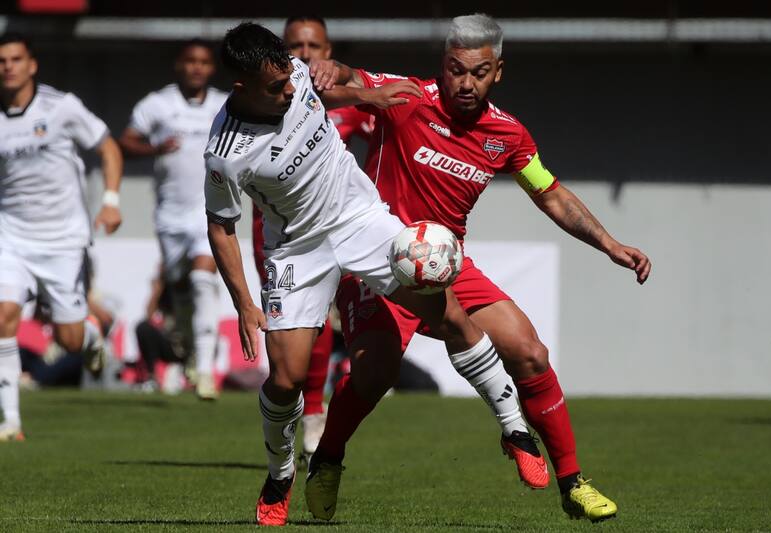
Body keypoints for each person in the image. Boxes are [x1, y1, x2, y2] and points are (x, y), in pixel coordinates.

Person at [305, 13, 652, 523]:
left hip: (446, 266)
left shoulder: (507, 135)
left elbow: (550, 193)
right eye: (456, 69)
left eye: (479, 72)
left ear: (499, 72)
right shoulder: (406, 98)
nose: (465, 82)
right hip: (378, 260)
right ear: (442, 67)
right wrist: (331, 68)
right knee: (374, 373)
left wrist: (609, 244)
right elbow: (352, 80)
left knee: (530, 352)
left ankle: (573, 482)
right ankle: (328, 458)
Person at [205, 22, 524, 526]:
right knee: (286, 380)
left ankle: (514, 429)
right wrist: (245, 304)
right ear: (241, 87)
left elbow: (327, 94)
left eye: (290, 78)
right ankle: (281, 473)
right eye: (276, 88)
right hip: (296, 250)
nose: (290, 90)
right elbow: (221, 228)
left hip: (360, 219)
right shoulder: (225, 154)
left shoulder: (297, 79)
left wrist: (372, 95)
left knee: (449, 315)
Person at [250, 15, 373, 467]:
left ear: (328, 49)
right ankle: (313, 416)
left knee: (355, 314)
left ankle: (332, 411)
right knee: (308, 327)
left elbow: (386, 137)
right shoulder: (268, 102)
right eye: (295, 45)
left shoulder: (348, 103)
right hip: (284, 234)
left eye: (314, 45)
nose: (304, 53)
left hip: (345, 224)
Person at [0, 33, 123, 441]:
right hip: (11, 235)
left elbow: (108, 148)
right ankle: (11, 422)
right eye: (2, 60)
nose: (8, 67)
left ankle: (90, 339)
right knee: (3, 314)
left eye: (16, 59)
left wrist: (110, 200)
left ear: (31, 65)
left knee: (69, 339)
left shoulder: (61, 107)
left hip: (63, 239)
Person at [119, 40, 227, 400]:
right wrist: (154, 148)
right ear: (178, 65)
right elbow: (126, 142)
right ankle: (189, 348)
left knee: (202, 279)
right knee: (180, 289)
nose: (196, 68)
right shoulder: (157, 104)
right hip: (169, 215)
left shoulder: (223, 104)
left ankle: (206, 370)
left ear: (211, 68)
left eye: (203, 62)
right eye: (190, 61)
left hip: (208, 210)